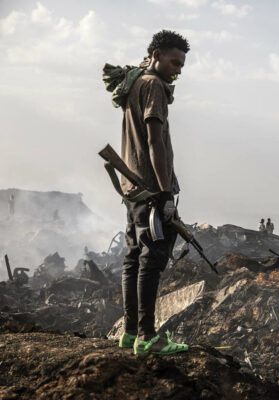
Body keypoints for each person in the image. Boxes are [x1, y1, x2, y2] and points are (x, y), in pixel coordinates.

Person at [116, 30, 190, 355]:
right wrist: (165, 194)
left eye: (182, 64)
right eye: (175, 61)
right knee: (152, 260)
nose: (178, 69)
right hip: (151, 190)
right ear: (157, 55)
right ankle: (148, 337)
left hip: (132, 188)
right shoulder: (154, 86)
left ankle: (130, 334)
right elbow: (154, 142)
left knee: (132, 259)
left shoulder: (134, 83)